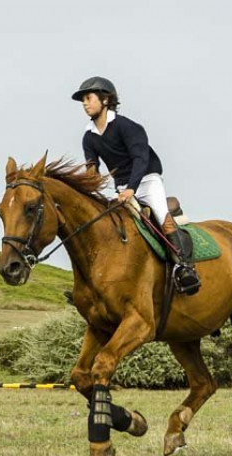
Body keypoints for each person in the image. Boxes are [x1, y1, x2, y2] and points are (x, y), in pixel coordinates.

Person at [72, 76, 200, 295]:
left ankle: (185, 267)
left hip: (147, 179)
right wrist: (86, 192)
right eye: (83, 100)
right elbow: (92, 169)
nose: (85, 103)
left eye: (88, 98)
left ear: (105, 100)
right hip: (122, 187)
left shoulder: (127, 127)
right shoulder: (89, 137)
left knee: (161, 215)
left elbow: (140, 160)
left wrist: (132, 187)